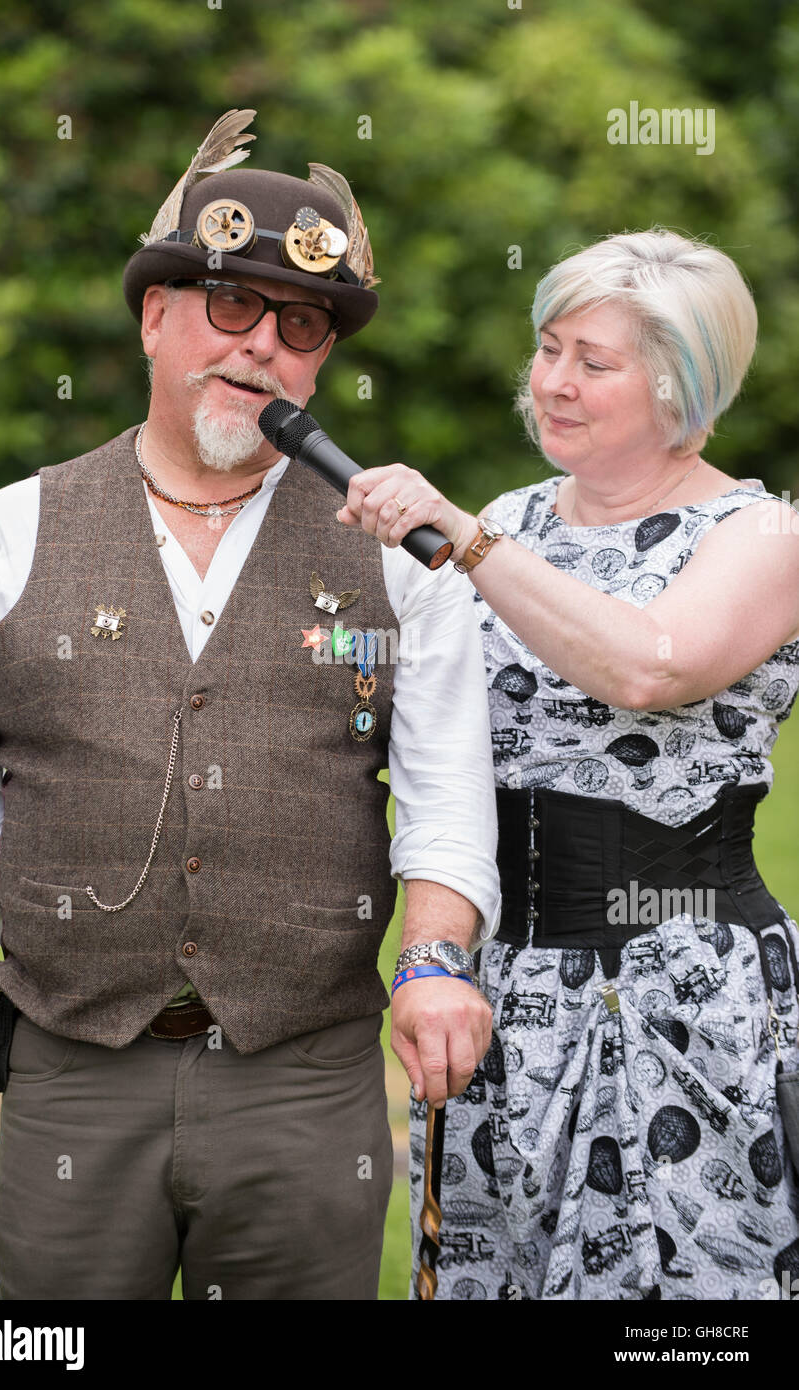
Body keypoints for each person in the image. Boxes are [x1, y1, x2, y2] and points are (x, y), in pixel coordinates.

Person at [0, 110, 499, 1301]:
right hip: (75, 1065)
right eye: (227, 306)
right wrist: (62, 917)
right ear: (154, 317)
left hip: (305, 1077)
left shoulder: (399, 558)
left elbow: (446, 793)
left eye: (299, 327)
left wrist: (438, 960)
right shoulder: (8, 531)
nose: (261, 348)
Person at [338, 229, 799, 1300]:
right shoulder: (511, 520)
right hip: (509, 990)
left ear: (680, 384)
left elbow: (648, 665)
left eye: (592, 362)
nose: (551, 382)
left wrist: (460, 541)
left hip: (685, 989)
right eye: (546, 350)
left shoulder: (758, 532)